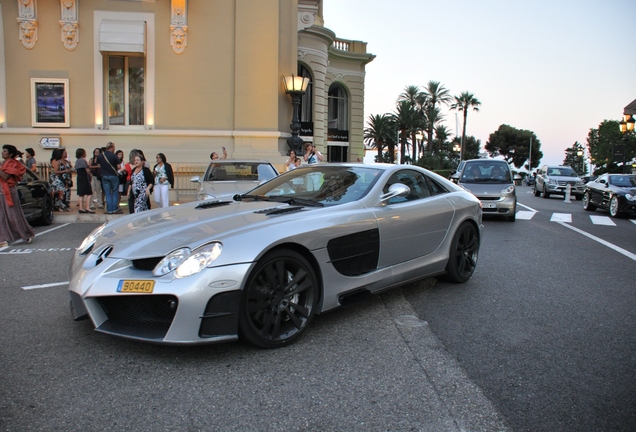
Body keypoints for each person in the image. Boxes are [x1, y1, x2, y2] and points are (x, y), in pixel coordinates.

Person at [0, 144, 35, 247]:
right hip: (1, 191)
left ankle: (26, 234)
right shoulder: (3, 163)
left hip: (9, 192)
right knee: (1, 216)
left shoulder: (14, 163)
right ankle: (3, 238)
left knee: (13, 215)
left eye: (5, 151)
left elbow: (6, 176)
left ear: (10, 154)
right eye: (2, 151)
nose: (2, 152)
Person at [97, 141, 123, 214]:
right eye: (114, 147)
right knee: (115, 192)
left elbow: (99, 165)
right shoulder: (114, 156)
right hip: (113, 176)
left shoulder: (101, 156)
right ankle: (114, 209)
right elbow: (119, 166)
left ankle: (109, 209)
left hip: (104, 176)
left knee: (108, 193)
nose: (114, 149)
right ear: (111, 147)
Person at [74, 148, 94, 214]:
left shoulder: (77, 161)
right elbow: (87, 169)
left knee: (81, 194)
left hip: (79, 178)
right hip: (85, 178)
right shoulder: (83, 161)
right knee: (89, 193)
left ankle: (81, 208)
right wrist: (90, 174)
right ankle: (88, 207)